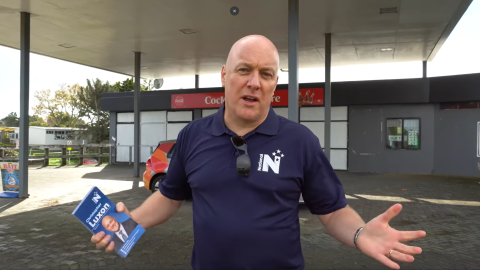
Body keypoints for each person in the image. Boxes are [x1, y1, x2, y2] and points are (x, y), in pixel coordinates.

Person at [92, 35, 426, 270]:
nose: (254, 82)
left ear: (274, 84)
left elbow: (331, 210)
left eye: (265, 74)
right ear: (225, 76)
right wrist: (130, 222)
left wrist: (359, 233)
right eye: (244, 70)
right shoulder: (193, 136)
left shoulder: (301, 141)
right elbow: (169, 196)